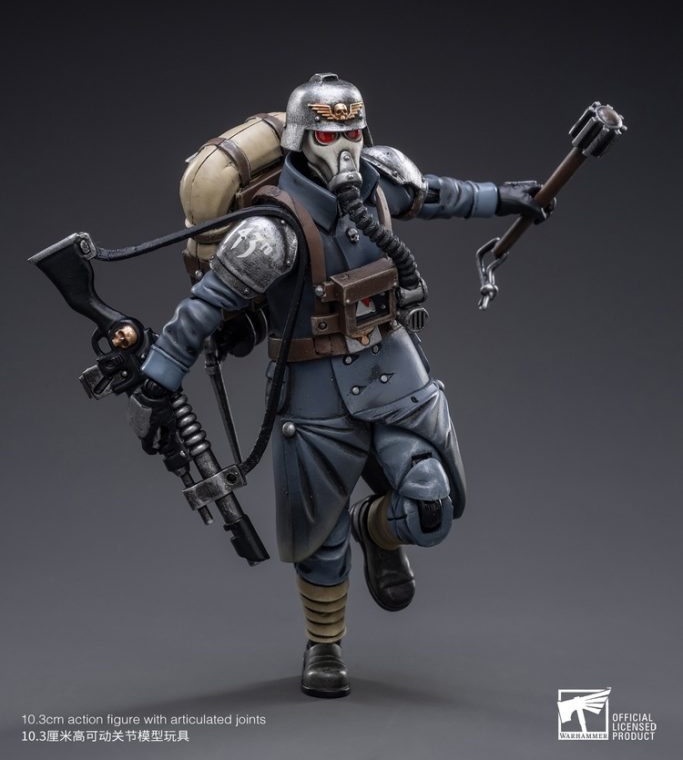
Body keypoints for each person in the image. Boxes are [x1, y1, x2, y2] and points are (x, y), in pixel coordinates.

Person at [134, 73, 551, 697]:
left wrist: (503, 197)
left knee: (432, 504)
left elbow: (436, 194)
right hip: (314, 393)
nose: (346, 147)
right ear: (302, 140)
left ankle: (375, 529)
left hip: (396, 376)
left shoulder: (379, 180)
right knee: (319, 539)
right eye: (329, 135)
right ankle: (324, 644)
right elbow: (201, 310)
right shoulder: (269, 230)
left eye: (354, 131)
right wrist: (156, 384)